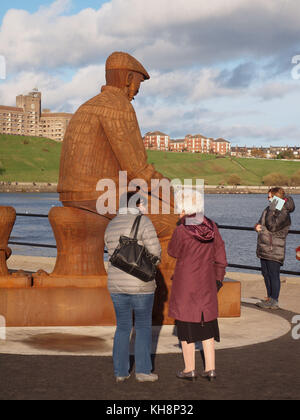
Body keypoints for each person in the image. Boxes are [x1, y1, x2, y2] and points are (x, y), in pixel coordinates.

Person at [167, 189, 228, 382]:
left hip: (186, 284)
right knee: (208, 327)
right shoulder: (213, 228)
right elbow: (221, 258)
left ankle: (189, 369)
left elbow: (172, 251)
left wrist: (180, 224)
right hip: (207, 283)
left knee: (186, 329)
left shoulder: (181, 230)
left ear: (185, 208)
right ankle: (210, 369)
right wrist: (218, 280)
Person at [104, 191, 161, 383]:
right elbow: (156, 252)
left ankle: (120, 371)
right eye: (142, 204)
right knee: (143, 326)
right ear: (136, 205)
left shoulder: (111, 224)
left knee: (122, 327)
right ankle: (143, 371)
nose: (145, 207)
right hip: (140, 285)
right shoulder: (143, 221)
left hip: (116, 284)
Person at [255, 187, 295, 310]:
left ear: (276, 198)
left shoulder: (283, 212)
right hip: (264, 246)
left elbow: (272, 226)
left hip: (274, 248)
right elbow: (261, 222)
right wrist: (257, 226)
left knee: (273, 274)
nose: (268, 199)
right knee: (266, 273)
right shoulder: (269, 209)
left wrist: (273, 209)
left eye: (270, 197)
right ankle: (269, 298)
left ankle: (274, 300)